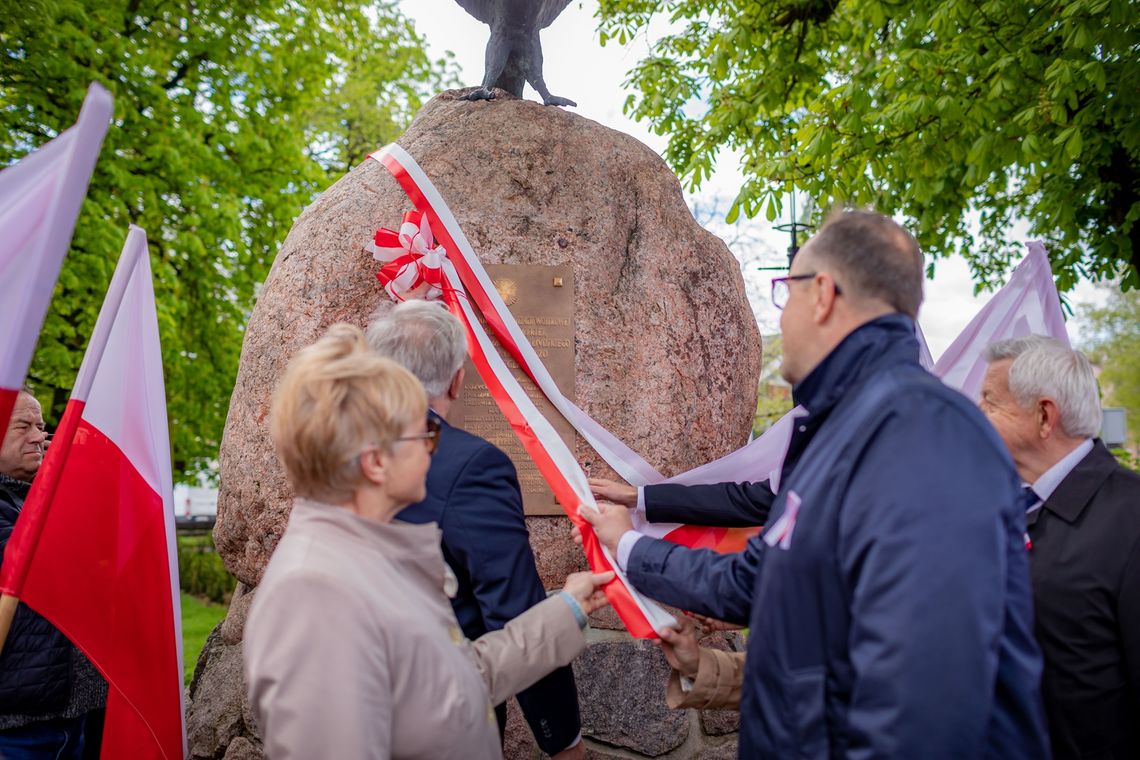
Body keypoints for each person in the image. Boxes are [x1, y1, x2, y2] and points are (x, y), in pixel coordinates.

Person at [580, 210, 1049, 757]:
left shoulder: (921, 432)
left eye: (786, 291)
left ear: (822, 294)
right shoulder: (838, 428)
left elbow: (923, 708)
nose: (779, 320)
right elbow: (759, 580)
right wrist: (628, 545)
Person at [243, 324, 612, 760]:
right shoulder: (314, 595)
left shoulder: (371, 555)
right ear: (377, 462)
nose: (434, 446)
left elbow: (450, 683)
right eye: (423, 433)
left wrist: (564, 612)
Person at [366, 300, 584, 758]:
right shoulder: (472, 467)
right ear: (457, 379)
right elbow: (515, 614)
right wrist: (563, 739)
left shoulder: (331, 458)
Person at [980, 335, 1140, 759]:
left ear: (1044, 416)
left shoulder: (1131, 518)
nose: (976, 417)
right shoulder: (1002, 509)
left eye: (990, 403)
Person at [0, 389, 107, 759]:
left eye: (41, 426)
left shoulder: (42, 495)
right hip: (17, 728)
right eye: (22, 426)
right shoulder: (36, 501)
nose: (38, 436)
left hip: (76, 717)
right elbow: (29, 561)